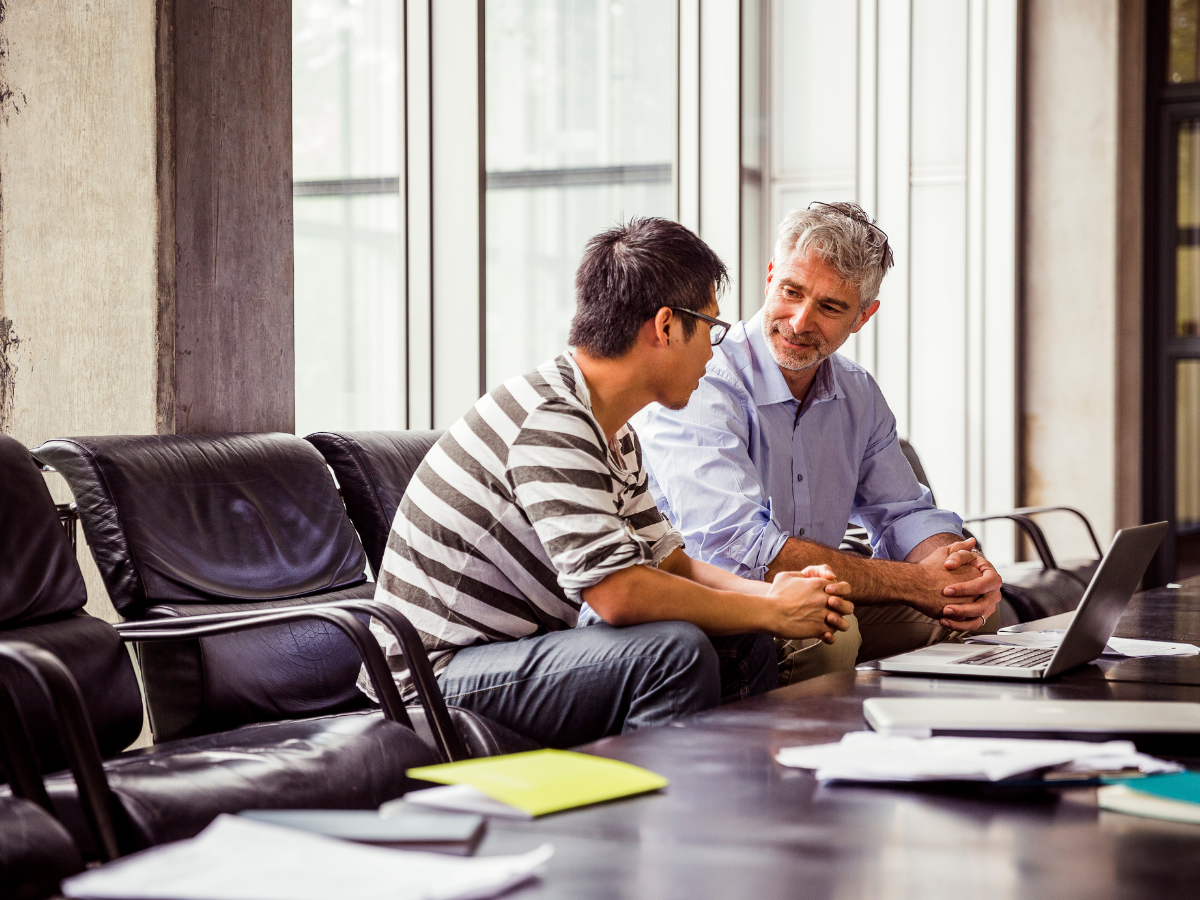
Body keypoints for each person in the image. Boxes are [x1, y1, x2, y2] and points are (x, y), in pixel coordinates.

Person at [361, 217, 854, 746]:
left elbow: (672, 564)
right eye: (710, 328)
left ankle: (727, 800)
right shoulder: (549, 421)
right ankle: (644, 819)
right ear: (666, 327)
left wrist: (771, 598)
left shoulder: (611, 431)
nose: (714, 352)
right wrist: (771, 607)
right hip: (432, 680)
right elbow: (618, 593)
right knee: (674, 652)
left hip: (510, 656)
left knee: (745, 637)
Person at [635, 202, 1002, 685]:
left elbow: (904, 512)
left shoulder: (857, 392)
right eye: (791, 292)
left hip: (817, 597)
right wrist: (918, 582)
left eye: (830, 307)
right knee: (831, 632)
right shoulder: (703, 379)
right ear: (770, 278)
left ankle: (921, 756)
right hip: (717, 601)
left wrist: (957, 570)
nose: (800, 321)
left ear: (863, 316)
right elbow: (739, 548)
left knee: (968, 615)